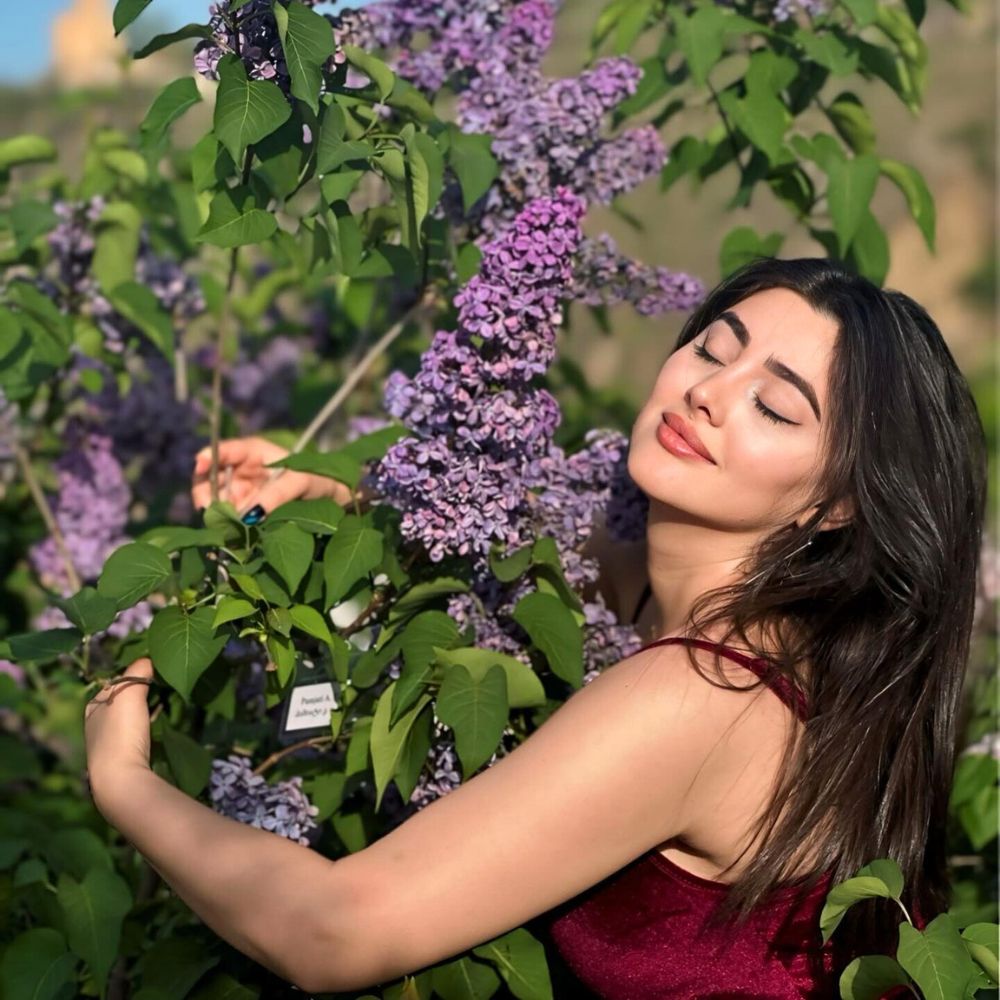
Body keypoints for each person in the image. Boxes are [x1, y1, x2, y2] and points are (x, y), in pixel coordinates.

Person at [84, 257, 988, 997]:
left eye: (776, 407)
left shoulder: (707, 693)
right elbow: (505, 522)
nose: (712, 393)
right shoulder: (676, 586)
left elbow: (337, 931)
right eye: (714, 349)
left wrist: (122, 780)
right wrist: (326, 483)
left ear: (835, 507)